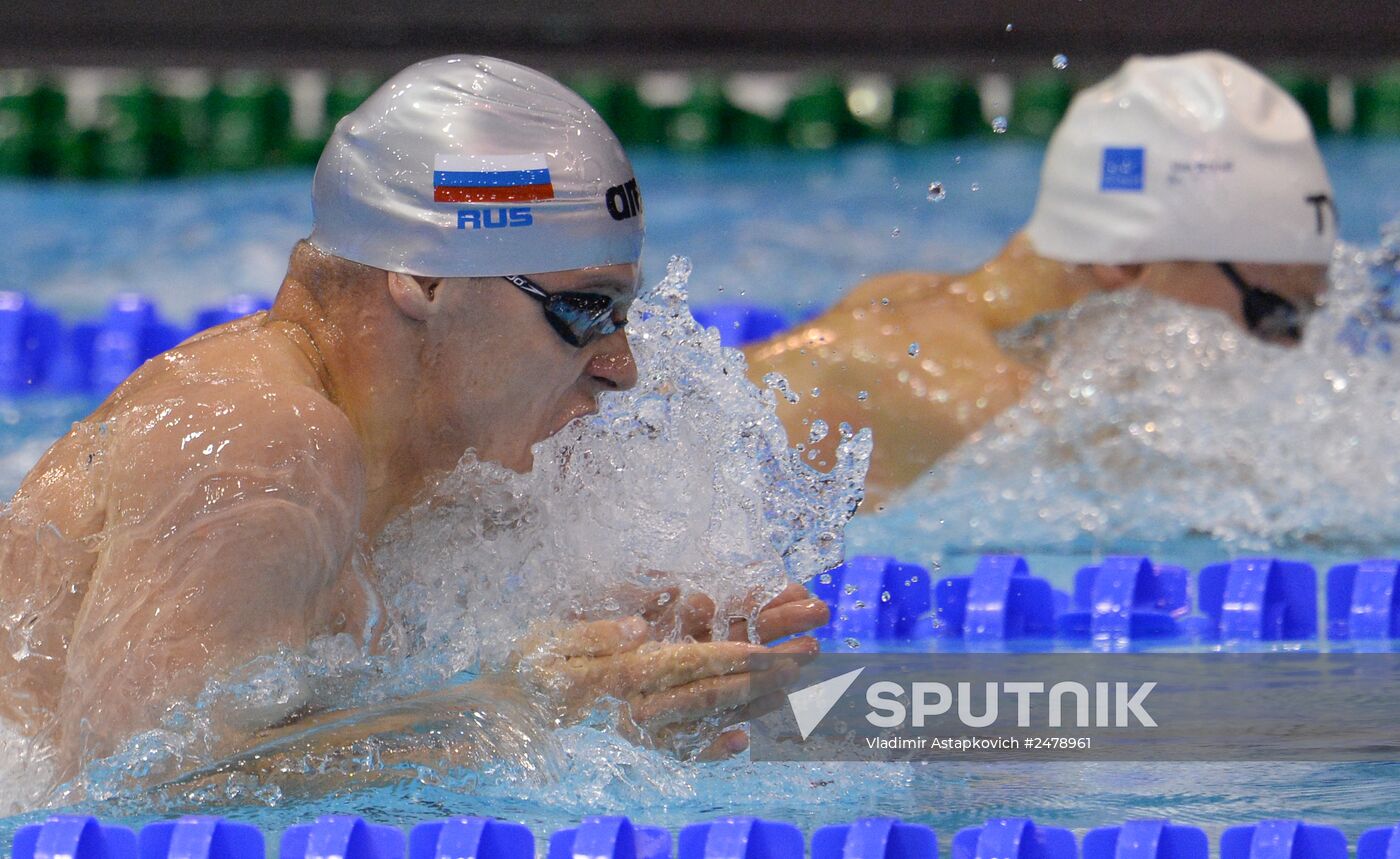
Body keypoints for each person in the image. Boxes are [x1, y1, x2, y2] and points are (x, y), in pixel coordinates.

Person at [0, 55, 827, 787]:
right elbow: (134, 794)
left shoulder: (420, 454)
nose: (622, 364)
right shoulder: (264, 445)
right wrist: (513, 717)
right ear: (425, 281)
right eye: (582, 309)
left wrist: (630, 665)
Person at [744, 51, 1338, 504]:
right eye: (1275, 313)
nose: (1290, 353)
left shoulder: (912, 300)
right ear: (1128, 262)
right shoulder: (974, 405)